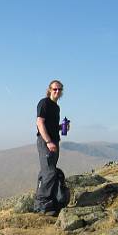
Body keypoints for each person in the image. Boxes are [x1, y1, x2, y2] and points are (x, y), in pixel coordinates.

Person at [34, 79, 68, 215]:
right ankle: (43, 205)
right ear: (49, 90)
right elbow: (40, 123)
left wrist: (62, 127)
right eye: (55, 89)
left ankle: (48, 202)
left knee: (47, 171)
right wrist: (48, 141)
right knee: (50, 173)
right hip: (46, 142)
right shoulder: (44, 103)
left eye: (59, 89)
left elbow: (50, 125)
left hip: (54, 141)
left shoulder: (56, 107)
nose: (57, 91)